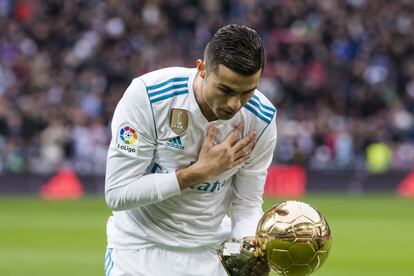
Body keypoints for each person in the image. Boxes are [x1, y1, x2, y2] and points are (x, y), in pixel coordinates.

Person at [104, 24, 277, 276]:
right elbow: (117, 193)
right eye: (225, 90)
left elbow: (247, 204)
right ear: (202, 69)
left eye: (247, 92)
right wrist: (197, 173)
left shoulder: (261, 118)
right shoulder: (150, 96)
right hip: (139, 250)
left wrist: (248, 249)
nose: (234, 104)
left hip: (210, 251)